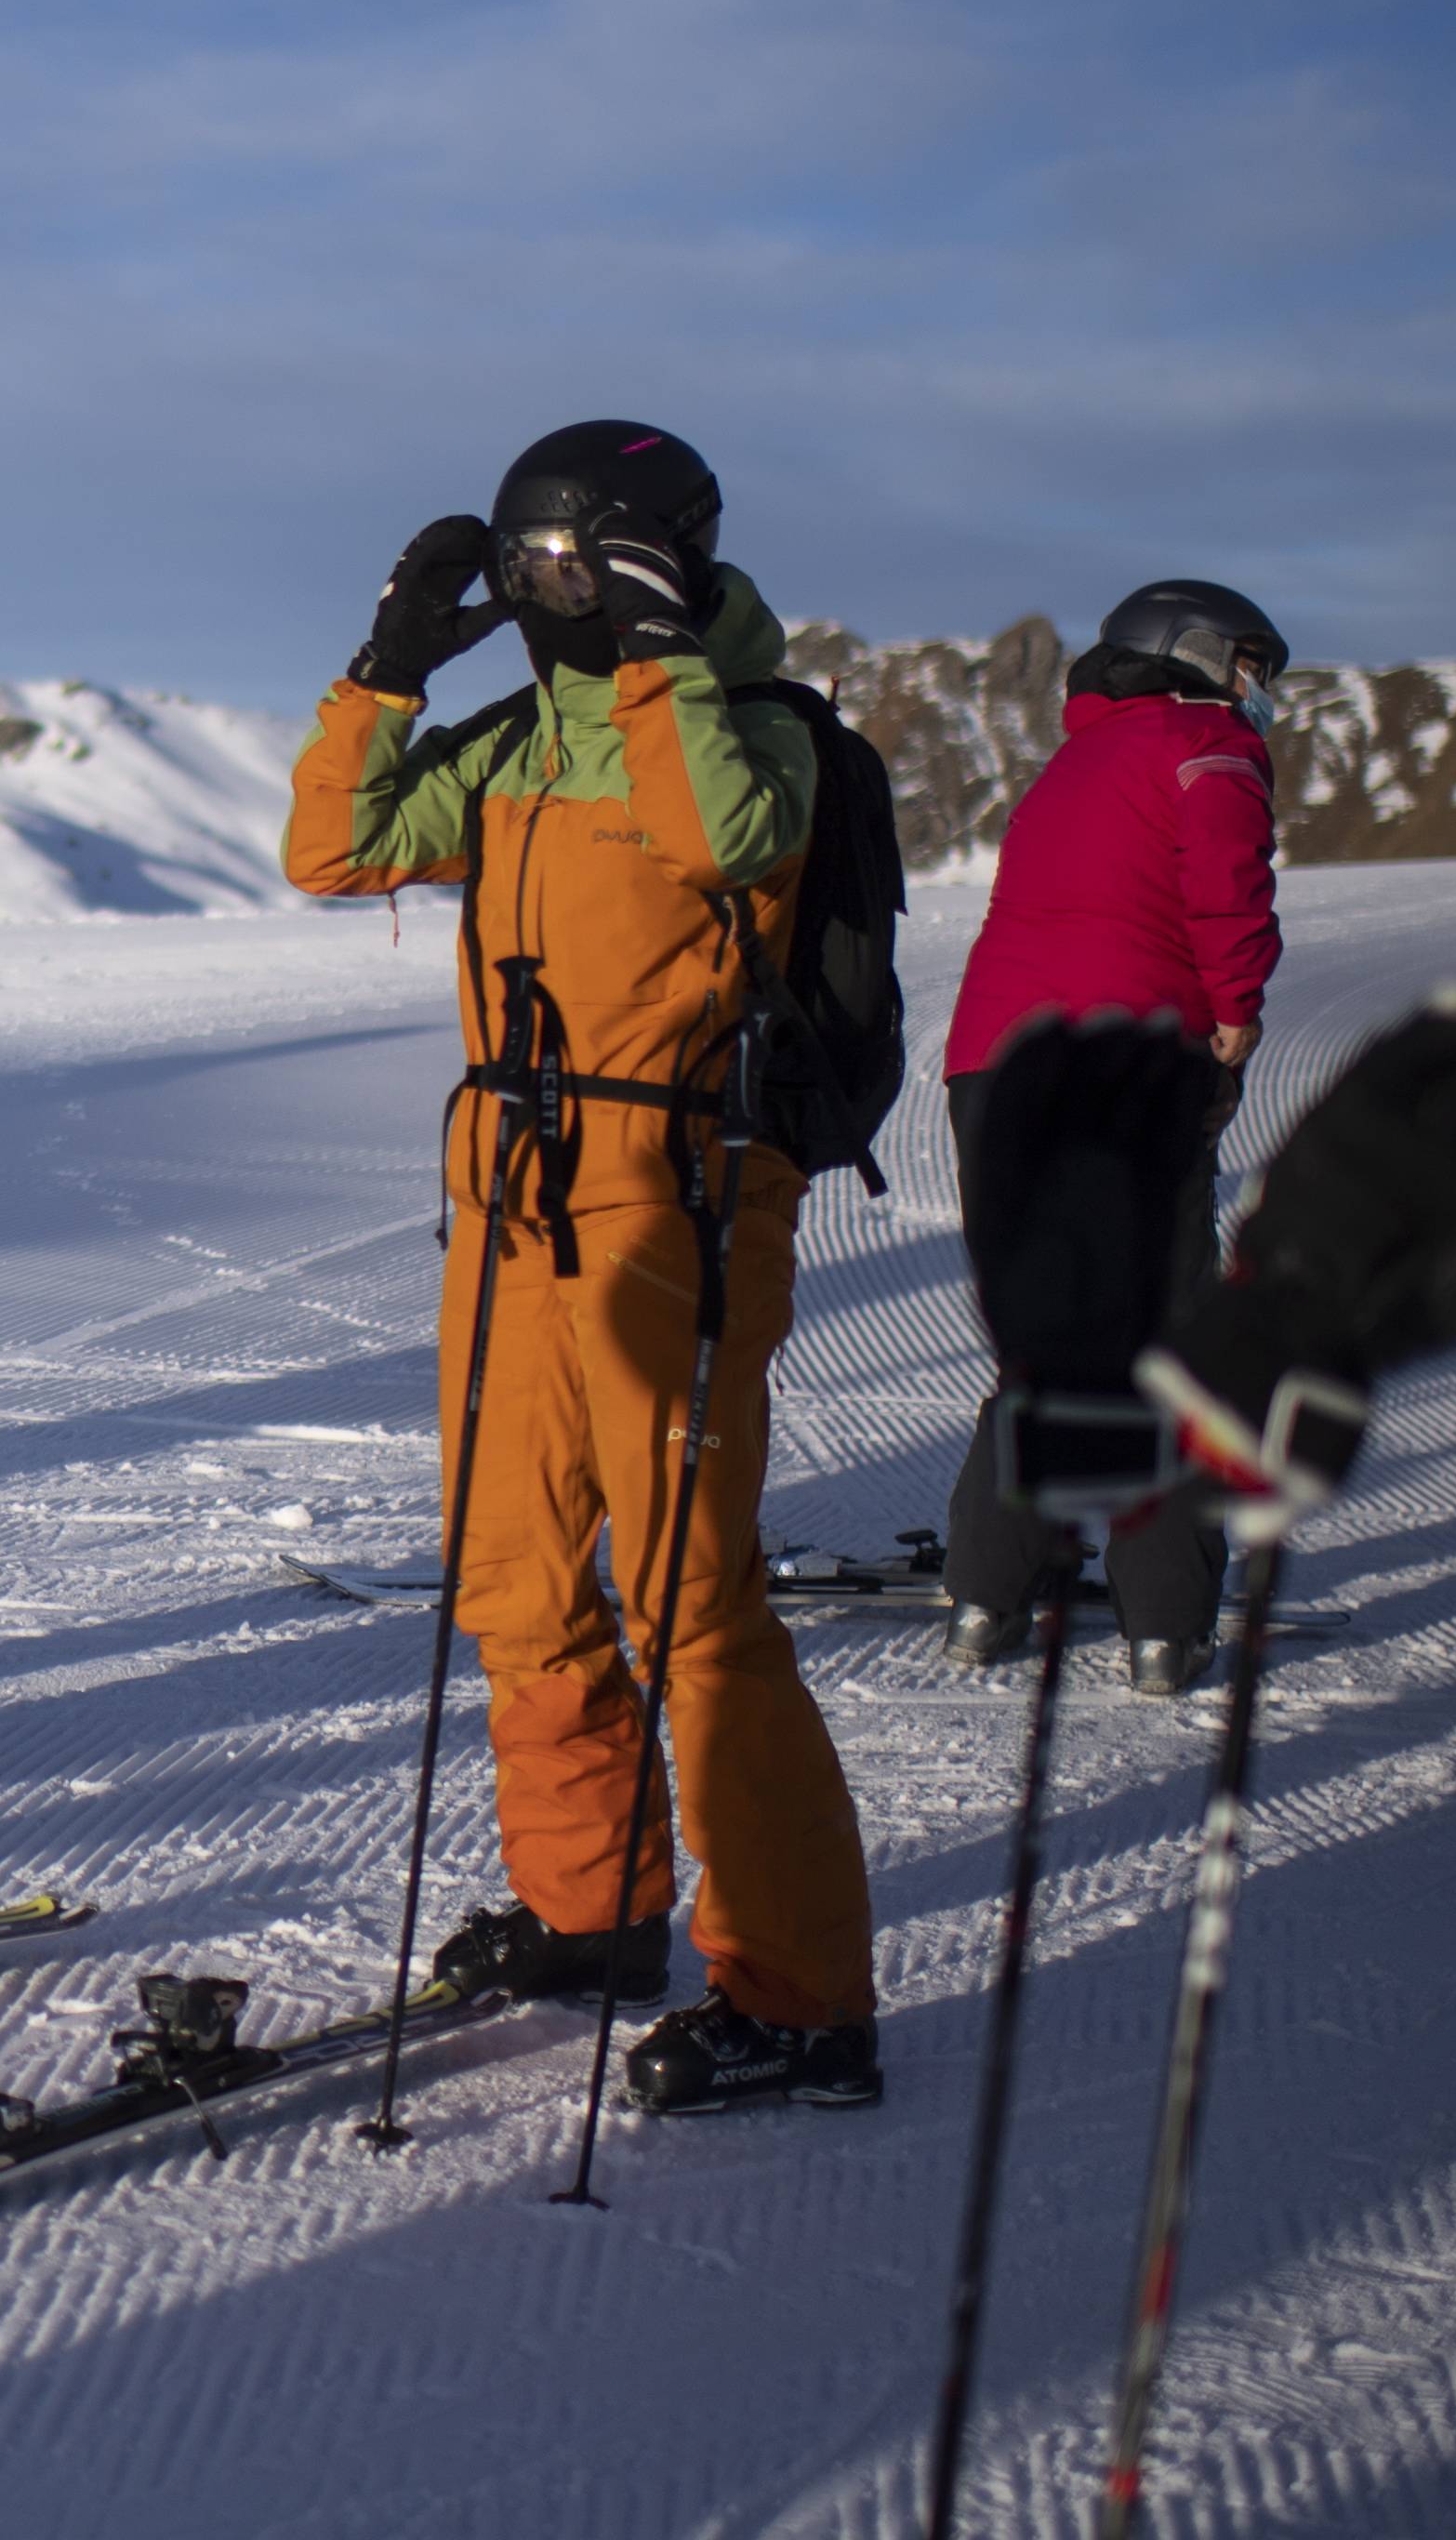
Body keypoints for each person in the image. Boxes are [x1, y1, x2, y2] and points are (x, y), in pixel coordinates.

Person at [284, 421, 882, 2115]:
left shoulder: (751, 736)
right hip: (504, 1198)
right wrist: (382, 674)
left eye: (571, 564)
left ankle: (799, 1999)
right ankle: (593, 1909)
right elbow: (335, 850)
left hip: (669, 1198)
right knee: (516, 1583)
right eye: (520, 569)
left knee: (689, 1599)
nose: (542, 595)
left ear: (654, 562)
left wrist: (656, 658)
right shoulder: (518, 744)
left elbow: (717, 842)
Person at [930, 579, 1289, 1697]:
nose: (1256, 692)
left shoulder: (1072, 764)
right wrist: (1236, 1012)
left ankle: (989, 1595)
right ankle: (1165, 1624)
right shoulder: (1205, 746)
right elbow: (1226, 889)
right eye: (1245, 664)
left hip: (997, 1068)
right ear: (1186, 655)